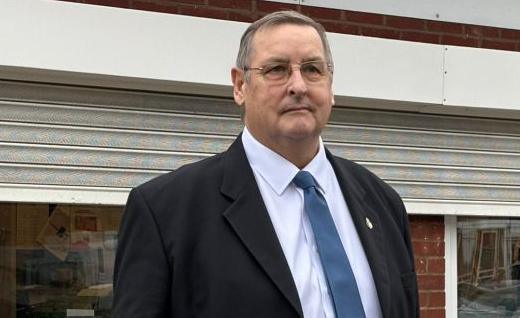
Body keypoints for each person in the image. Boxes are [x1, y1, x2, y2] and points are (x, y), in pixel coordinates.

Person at [112, 10, 419, 318]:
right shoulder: (165, 212)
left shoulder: (383, 204)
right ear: (240, 86)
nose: (298, 85)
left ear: (331, 86)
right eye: (277, 69)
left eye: (313, 69)